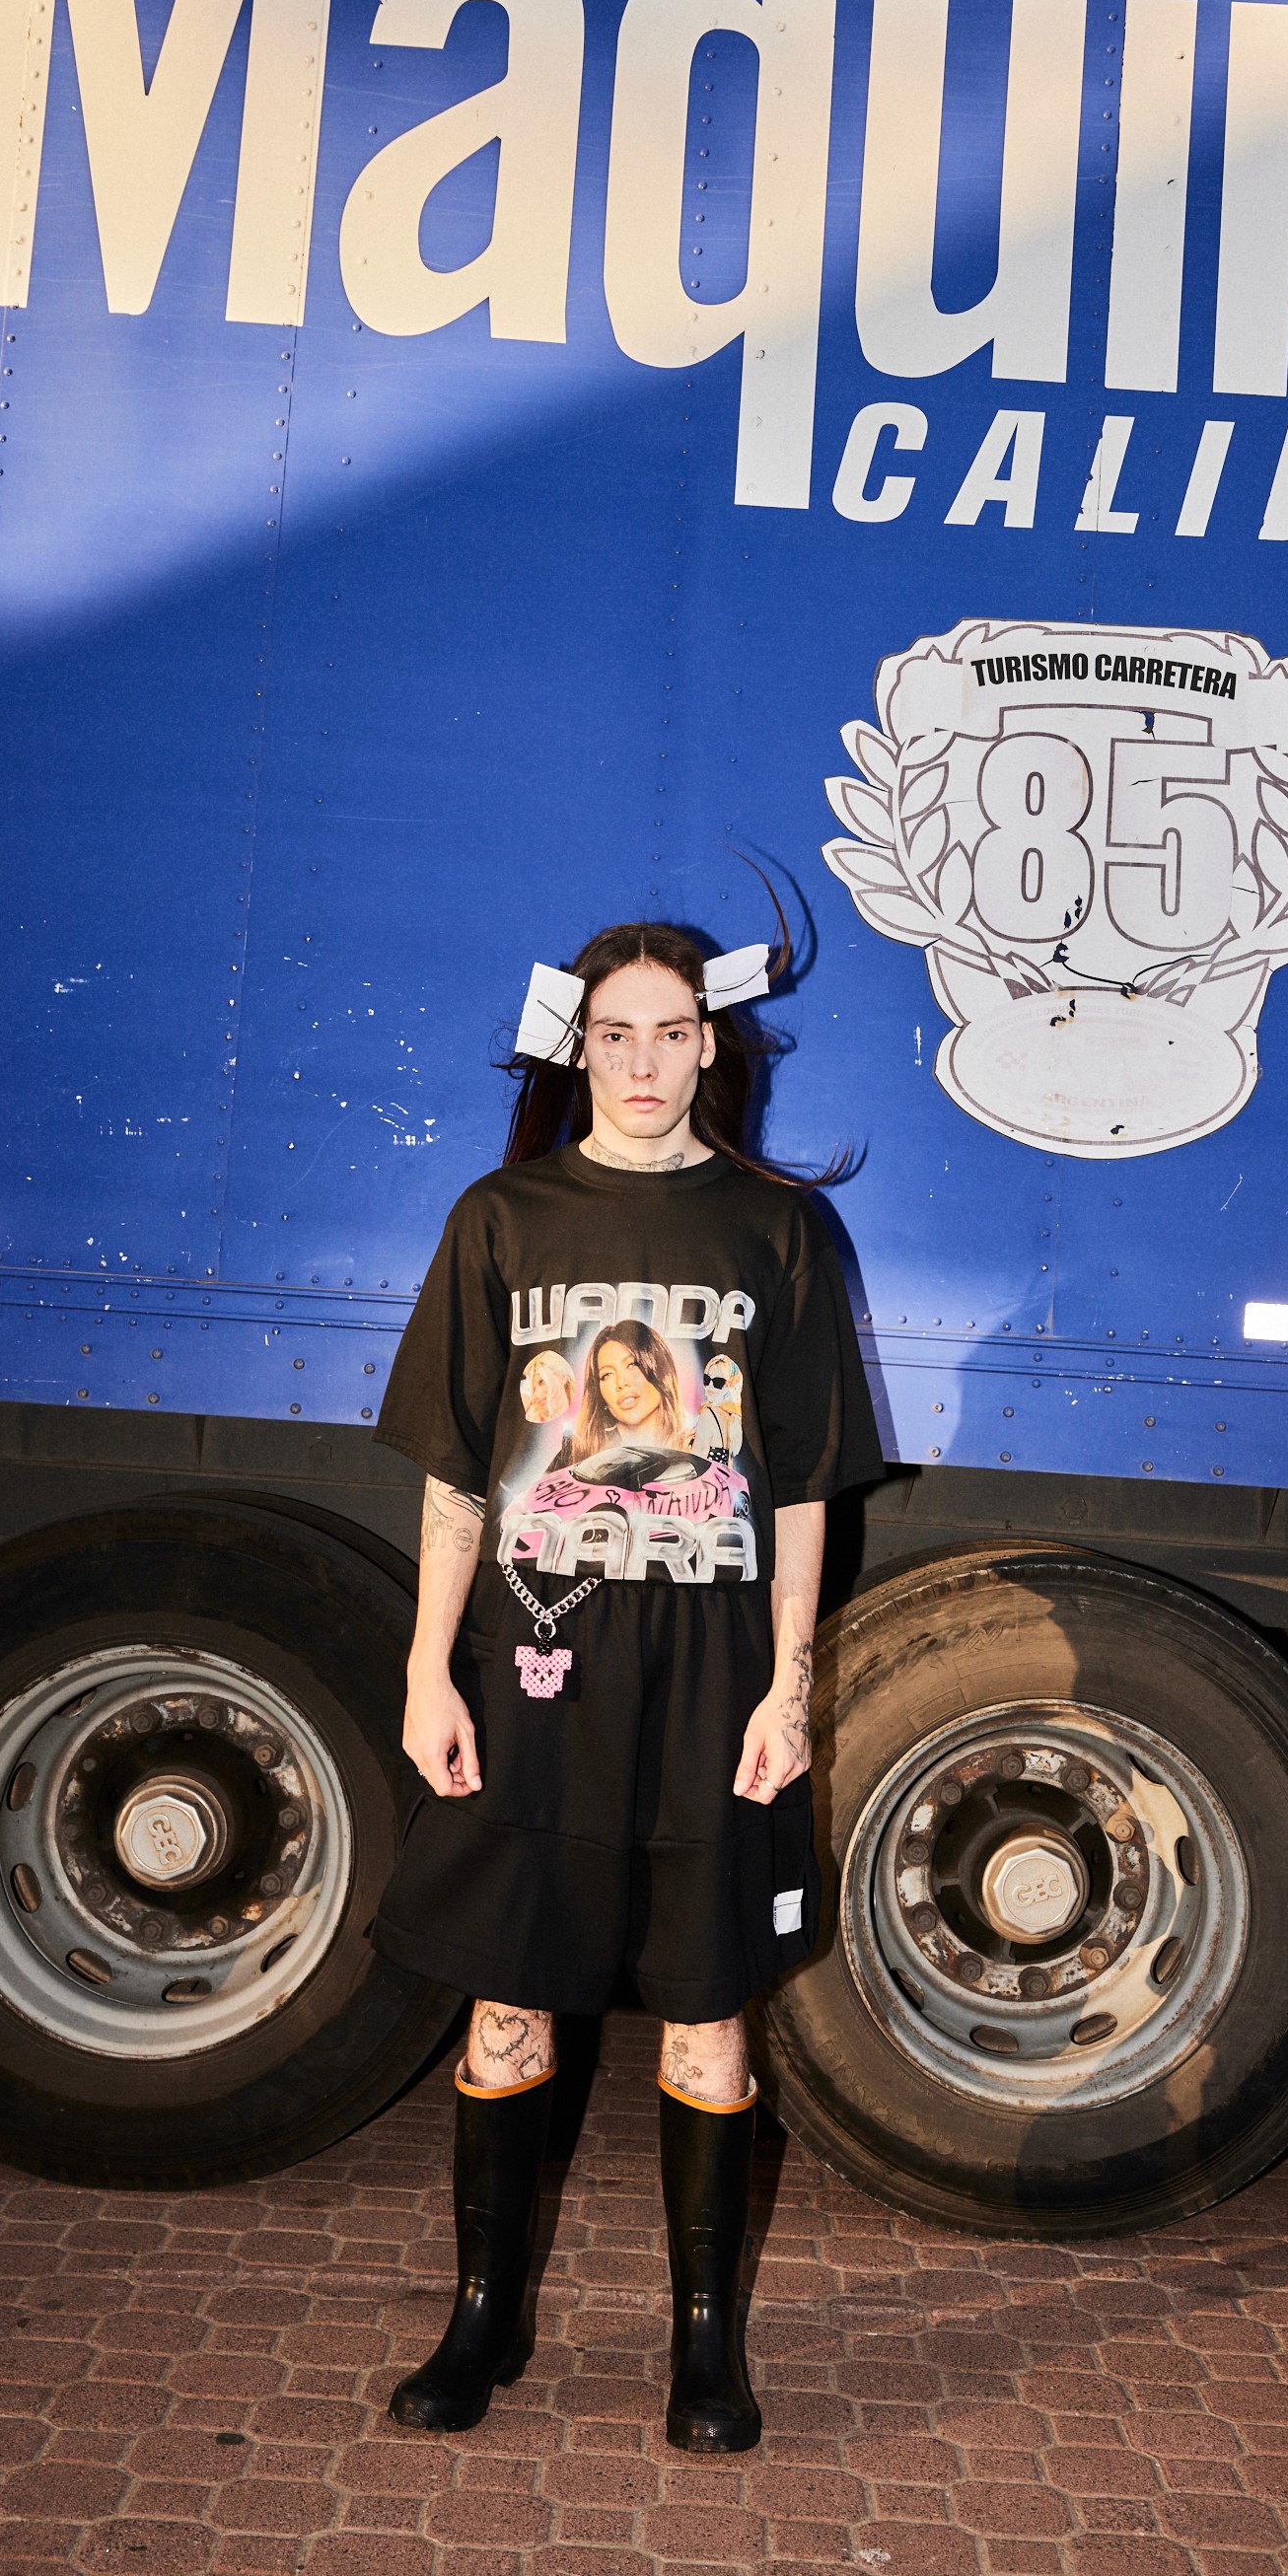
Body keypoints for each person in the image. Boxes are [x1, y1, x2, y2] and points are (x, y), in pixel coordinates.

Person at [372, 918, 880, 2452]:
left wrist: (789, 1690)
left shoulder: (779, 1229)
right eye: (615, 1035)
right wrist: (427, 1669)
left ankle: (706, 2349)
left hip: (712, 1676)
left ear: (710, 1045)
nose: (644, 1063)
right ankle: (484, 2317)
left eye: (671, 1032)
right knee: (507, 2000)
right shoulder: (502, 1217)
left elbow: (804, 1486)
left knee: (707, 2012)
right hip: (538, 1656)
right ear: (576, 1047)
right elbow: (459, 1472)